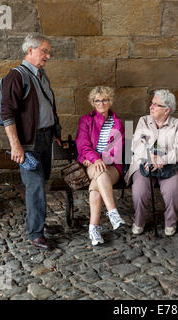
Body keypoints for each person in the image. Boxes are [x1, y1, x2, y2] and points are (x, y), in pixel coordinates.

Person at [2, 33, 62, 250]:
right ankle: (35, 233)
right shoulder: (16, 76)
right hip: (28, 143)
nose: (48, 55)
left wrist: (56, 132)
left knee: (42, 181)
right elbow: (6, 112)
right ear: (30, 50)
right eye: (44, 51)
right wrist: (15, 145)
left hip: (45, 138)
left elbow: (48, 106)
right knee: (35, 186)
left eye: (48, 52)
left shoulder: (41, 74)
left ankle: (40, 224)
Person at [124, 90, 178, 236]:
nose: (151, 107)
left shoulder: (177, 124)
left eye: (156, 104)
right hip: (144, 164)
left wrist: (163, 160)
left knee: (173, 191)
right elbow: (136, 144)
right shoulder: (144, 120)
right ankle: (139, 221)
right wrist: (150, 157)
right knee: (139, 191)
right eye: (151, 103)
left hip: (169, 167)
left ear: (167, 110)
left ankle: (170, 222)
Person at [75, 86, 125, 246]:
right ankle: (112, 213)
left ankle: (93, 229)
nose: (101, 103)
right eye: (97, 100)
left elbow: (117, 150)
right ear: (93, 103)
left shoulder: (118, 123)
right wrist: (95, 159)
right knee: (100, 173)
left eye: (104, 99)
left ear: (110, 101)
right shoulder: (86, 120)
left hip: (113, 167)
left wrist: (100, 160)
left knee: (99, 179)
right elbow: (82, 144)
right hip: (91, 164)